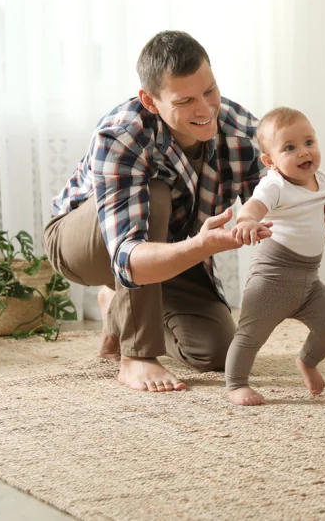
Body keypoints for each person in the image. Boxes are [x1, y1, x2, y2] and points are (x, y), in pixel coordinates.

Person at [44, 31, 284, 393]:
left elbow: (275, 194)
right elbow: (127, 254)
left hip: (170, 248)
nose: (204, 109)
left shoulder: (240, 128)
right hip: (88, 246)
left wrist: (309, 214)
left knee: (217, 351)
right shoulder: (123, 133)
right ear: (150, 101)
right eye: (185, 100)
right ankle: (136, 356)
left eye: (209, 91)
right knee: (155, 195)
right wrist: (202, 247)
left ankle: (117, 310)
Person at [225, 107, 325, 406]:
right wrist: (246, 222)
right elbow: (254, 206)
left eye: (309, 142)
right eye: (290, 148)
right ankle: (236, 383)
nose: (303, 152)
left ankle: (307, 361)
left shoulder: (321, 180)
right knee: (250, 334)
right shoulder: (275, 184)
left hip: (309, 278)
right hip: (273, 277)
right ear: (271, 161)